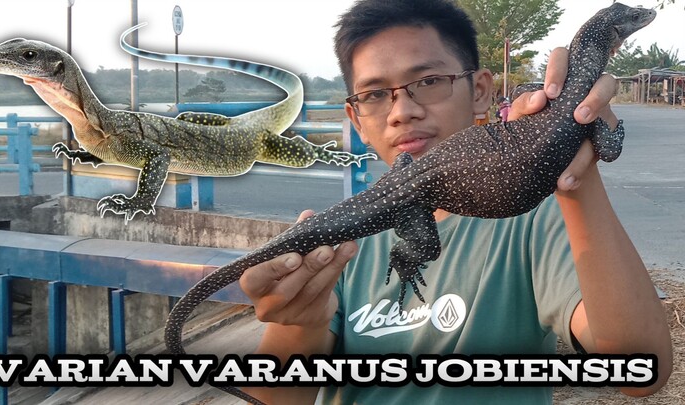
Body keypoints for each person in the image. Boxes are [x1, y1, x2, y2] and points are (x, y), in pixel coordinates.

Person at [240, 0, 672, 403]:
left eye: (429, 81)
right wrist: (303, 321)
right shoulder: (342, 254)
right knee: (419, 246)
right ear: (356, 120)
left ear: (482, 91)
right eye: (374, 94)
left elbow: (637, 368)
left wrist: (578, 179)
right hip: (401, 212)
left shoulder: (541, 220)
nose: (401, 111)